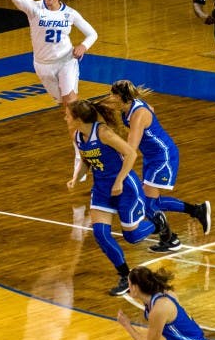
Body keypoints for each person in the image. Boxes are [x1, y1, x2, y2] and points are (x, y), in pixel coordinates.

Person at [0, 0, 98, 182]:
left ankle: (82, 158)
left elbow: (92, 33)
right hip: (42, 66)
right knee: (66, 113)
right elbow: (18, 1)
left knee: (72, 109)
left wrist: (83, 46)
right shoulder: (34, 8)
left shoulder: (70, 14)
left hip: (66, 62)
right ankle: (85, 146)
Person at [99, 79, 211, 253]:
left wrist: (118, 165)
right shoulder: (130, 105)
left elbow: (131, 149)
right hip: (152, 157)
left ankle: (170, 239)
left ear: (120, 97)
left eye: (112, 96)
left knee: (147, 203)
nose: (110, 99)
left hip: (163, 157)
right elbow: (152, 109)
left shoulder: (137, 114)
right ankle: (197, 210)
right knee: (153, 202)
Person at [65, 99, 155, 297]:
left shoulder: (104, 133)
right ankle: (125, 276)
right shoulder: (78, 136)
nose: (65, 117)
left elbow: (131, 154)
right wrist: (75, 177)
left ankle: (157, 224)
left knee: (132, 237)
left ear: (79, 119)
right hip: (101, 189)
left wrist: (119, 181)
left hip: (125, 186)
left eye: (68, 115)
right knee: (101, 234)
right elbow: (87, 159)